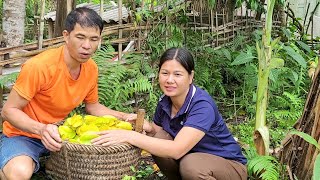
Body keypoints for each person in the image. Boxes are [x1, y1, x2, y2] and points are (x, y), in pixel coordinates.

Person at [0, 7, 136, 180]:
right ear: (66, 35)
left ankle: (49, 163)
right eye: (80, 37)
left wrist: (124, 117)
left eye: (94, 39)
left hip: (64, 134)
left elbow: (93, 106)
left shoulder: (91, 69)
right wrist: (41, 130)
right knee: (18, 173)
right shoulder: (40, 67)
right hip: (23, 134)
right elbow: (8, 111)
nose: (87, 46)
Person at [92, 47, 248, 180]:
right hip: (192, 158)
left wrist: (130, 136)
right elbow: (160, 132)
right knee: (158, 139)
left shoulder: (201, 105)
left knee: (191, 165)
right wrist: (148, 127)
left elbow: (177, 149)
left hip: (228, 165)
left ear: (190, 77)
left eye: (178, 74)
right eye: (165, 73)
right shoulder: (165, 100)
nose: (169, 80)